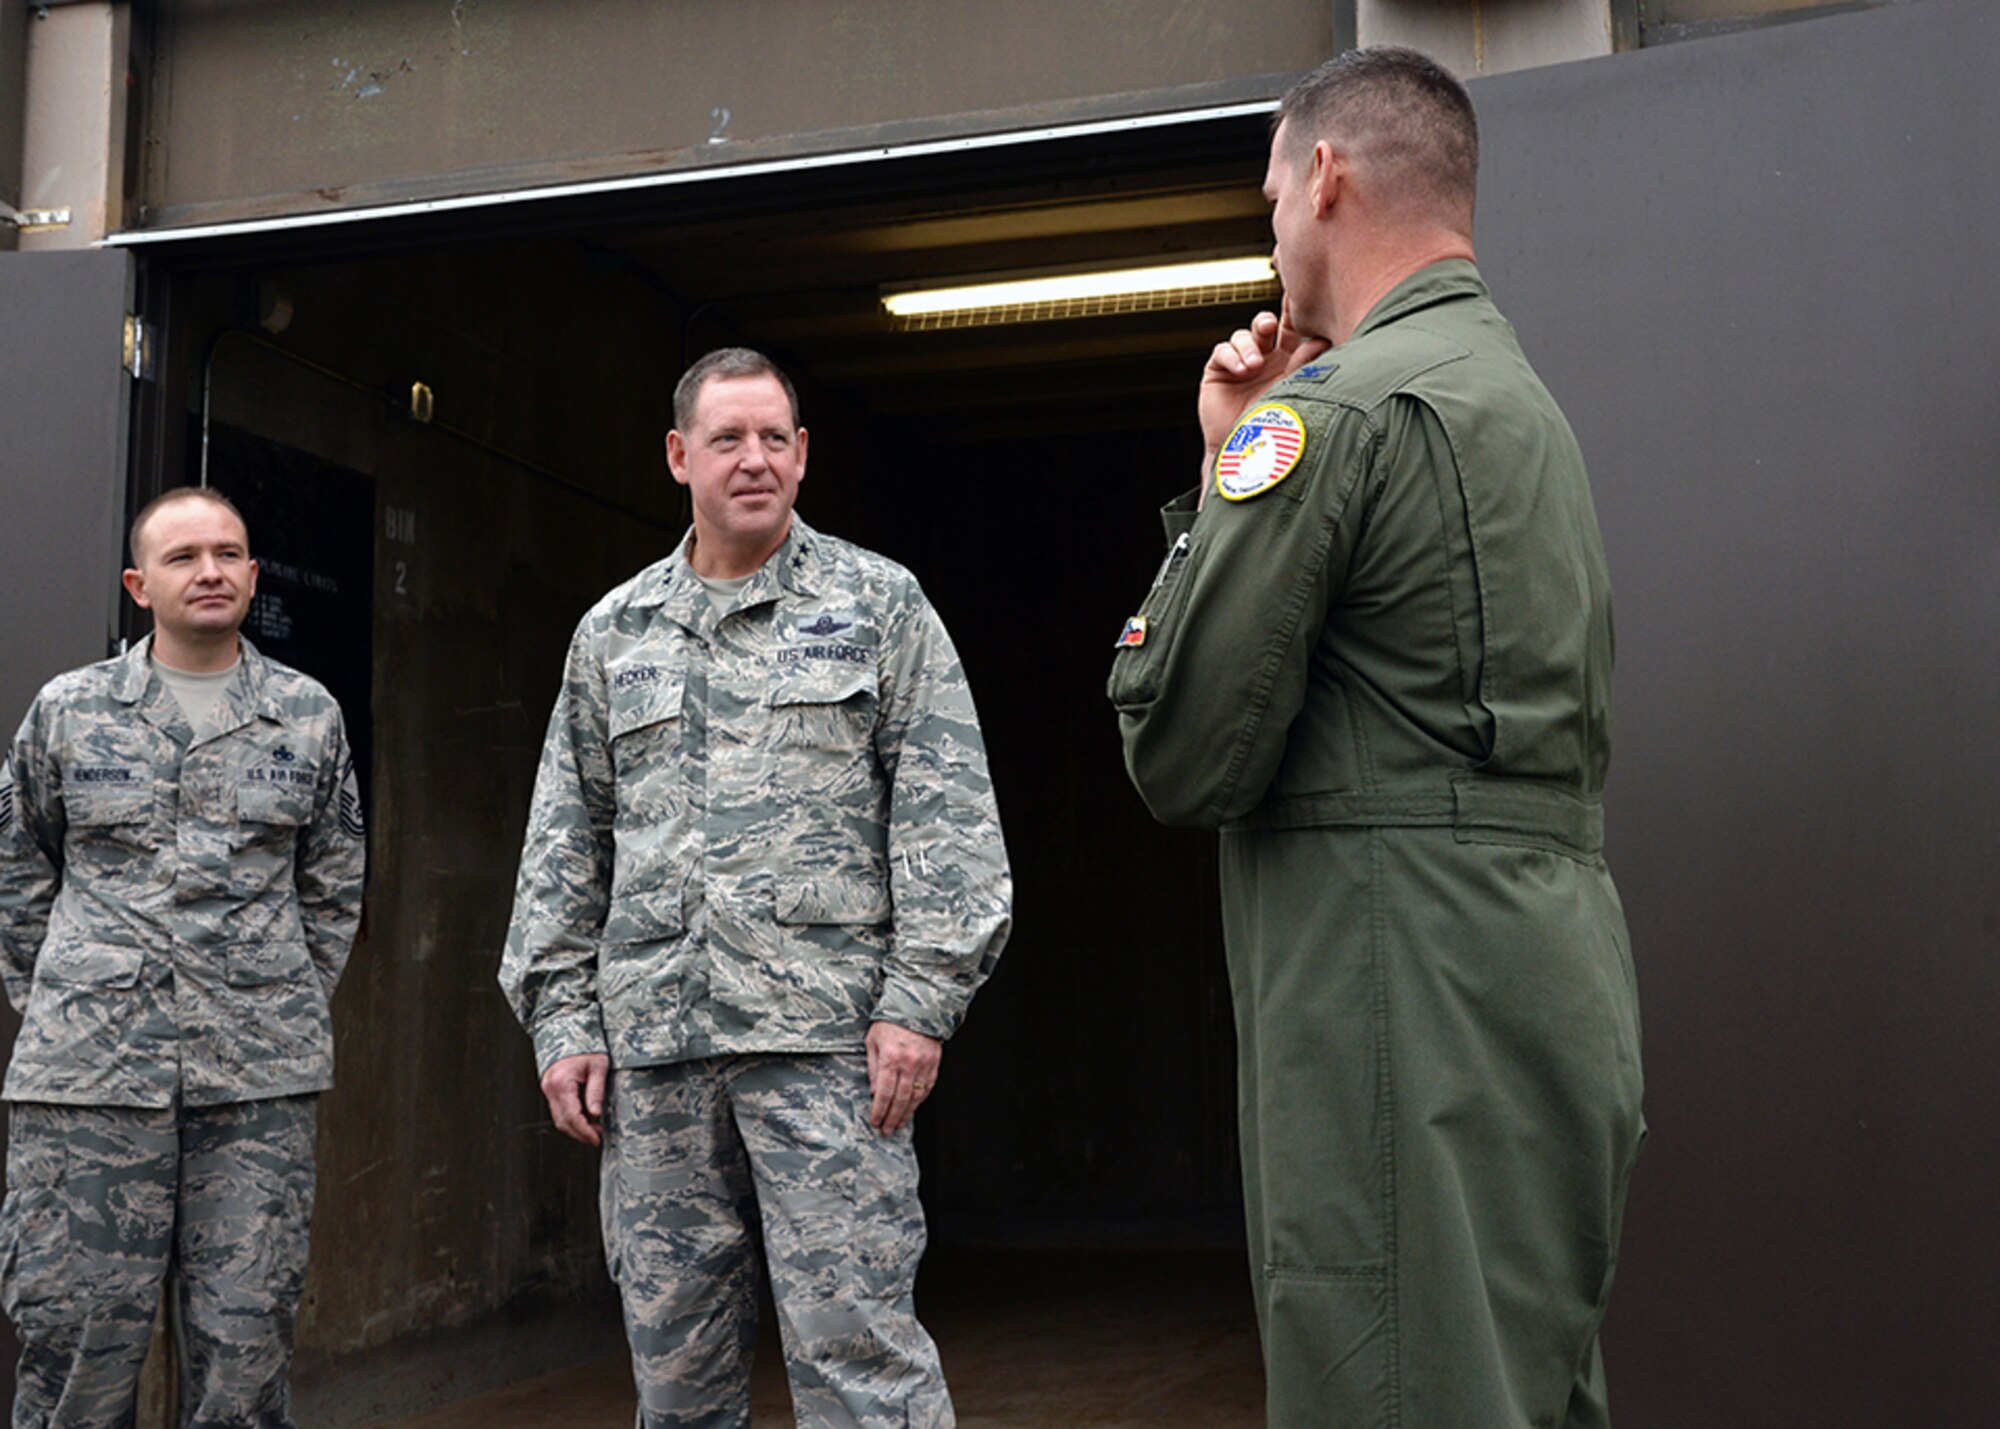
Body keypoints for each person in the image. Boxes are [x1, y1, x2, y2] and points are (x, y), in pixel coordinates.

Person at [1108, 48, 1644, 1428]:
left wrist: (1229, 466)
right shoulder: (1526, 407)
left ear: (1327, 178)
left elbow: (1182, 753)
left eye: (1273, 195)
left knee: (1391, 1381)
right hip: (1547, 978)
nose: (1274, 231)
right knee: (1522, 1383)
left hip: (1395, 995)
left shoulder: (1334, 416)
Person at [501, 347, 1011, 1429]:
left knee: (859, 1359)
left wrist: (920, 1002)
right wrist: (560, 1020)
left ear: (803, 453)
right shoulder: (614, 633)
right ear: (679, 456)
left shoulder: (878, 604)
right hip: (655, 1061)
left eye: (774, 437)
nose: (753, 459)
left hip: (826, 1051)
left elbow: (947, 815)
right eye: (727, 439)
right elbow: (564, 838)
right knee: (676, 1378)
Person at [0, 486, 366, 1426]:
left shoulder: (307, 716)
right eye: (183, 556)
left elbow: (330, 889)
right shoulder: (69, 712)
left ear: (251, 574)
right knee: (75, 1352)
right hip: (88, 1090)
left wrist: (263, 996)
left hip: (254, 1092)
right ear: (138, 583)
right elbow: (17, 874)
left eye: (229, 553)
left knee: (245, 1352)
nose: (210, 571)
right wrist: (81, 1000)